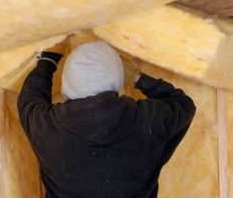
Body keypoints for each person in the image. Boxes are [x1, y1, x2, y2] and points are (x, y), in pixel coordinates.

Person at [17, 40, 196, 198]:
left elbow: (29, 100)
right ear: (116, 79)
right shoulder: (148, 119)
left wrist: (48, 60)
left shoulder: (47, 127)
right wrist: (135, 77)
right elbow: (184, 104)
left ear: (67, 84)